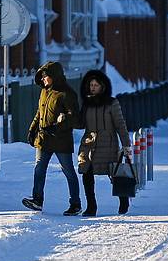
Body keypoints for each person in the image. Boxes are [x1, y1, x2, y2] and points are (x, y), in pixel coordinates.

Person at [21, 61, 82, 215]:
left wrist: (58, 126)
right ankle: (37, 200)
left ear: (54, 76)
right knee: (39, 168)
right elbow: (39, 113)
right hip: (44, 138)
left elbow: (74, 117)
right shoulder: (44, 92)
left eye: (45, 77)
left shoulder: (67, 94)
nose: (43, 80)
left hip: (61, 140)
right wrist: (32, 129)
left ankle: (75, 204)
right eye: (42, 77)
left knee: (68, 171)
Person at [76, 69, 133, 216]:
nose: (93, 87)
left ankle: (123, 201)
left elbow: (120, 124)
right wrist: (68, 116)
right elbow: (80, 124)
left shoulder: (112, 103)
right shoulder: (87, 104)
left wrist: (126, 145)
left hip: (108, 145)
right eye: (91, 85)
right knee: (86, 174)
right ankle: (91, 206)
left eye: (96, 85)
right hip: (88, 146)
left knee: (114, 174)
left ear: (102, 86)